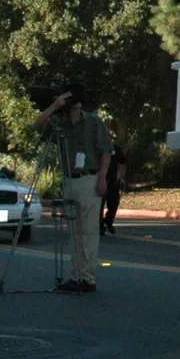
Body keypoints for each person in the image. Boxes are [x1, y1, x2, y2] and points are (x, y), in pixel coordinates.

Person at [34, 89, 113, 293]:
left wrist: (102, 178)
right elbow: (37, 124)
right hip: (69, 179)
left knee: (88, 230)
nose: (74, 109)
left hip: (89, 177)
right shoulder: (59, 123)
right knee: (74, 232)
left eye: (76, 105)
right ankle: (76, 275)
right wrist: (54, 107)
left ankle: (87, 278)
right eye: (70, 106)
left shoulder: (94, 122)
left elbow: (106, 151)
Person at [100, 142, 127, 235]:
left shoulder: (115, 149)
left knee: (114, 203)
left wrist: (121, 177)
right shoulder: (97, 148)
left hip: (112, 182)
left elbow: (123, 162)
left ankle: (108, 221)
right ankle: (99, 226)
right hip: (99, 181)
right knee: (99, 205)